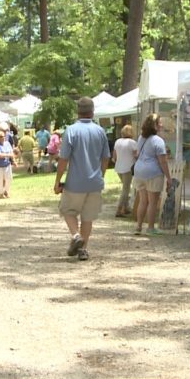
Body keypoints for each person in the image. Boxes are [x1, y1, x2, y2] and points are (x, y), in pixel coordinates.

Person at [53, 97, 110, 262]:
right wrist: (101, 175)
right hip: (95, 182)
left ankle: (76, 235)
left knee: (67, 211)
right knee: (87, 217)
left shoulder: (71, 130)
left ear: (77, 111)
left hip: (75, 182)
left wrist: (58, 180)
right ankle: (83, 250)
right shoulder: (100, 131)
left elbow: (64, 158)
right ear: (92, 111)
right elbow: (106, 157)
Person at [133, 113, 172, 236]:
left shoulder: (141, 138)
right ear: (154, 125)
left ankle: (138, 226)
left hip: (138, 172)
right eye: (159, 122)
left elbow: (137, 154)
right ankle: (150, 228)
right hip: (153, 173)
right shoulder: (158, 141)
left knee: (142, 201)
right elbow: (163, 161)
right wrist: (169, 178)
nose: (161, 124)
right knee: (153, 202)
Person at [111, 124, 138, 217]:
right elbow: (136, 155)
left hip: (118, 168)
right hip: (128, 168)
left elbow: (114, 157)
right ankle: (119, 209)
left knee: (125, 187)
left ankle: (126, 207)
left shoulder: (117, 141)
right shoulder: (132, 142)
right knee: (126, 189)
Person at [0, 131, 14, 198]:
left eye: (4, 136)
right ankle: (1, 193)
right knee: (0, 180)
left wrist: (13, 160)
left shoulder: (7, 143)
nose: (3, 137)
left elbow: (12, 152)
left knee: (9, 178)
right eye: (1, 136)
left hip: (7, 164)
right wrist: (8, 155)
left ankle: (6, 191)